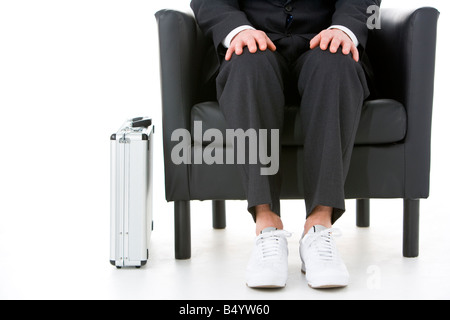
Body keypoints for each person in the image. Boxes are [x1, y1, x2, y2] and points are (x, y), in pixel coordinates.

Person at [190, 0, 381, 289]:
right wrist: (236, 29)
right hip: (253, 40)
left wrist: (345, 29)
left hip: (325, 40)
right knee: (247, 61)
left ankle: (319, 228)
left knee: (335, 62)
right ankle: (266, 226)